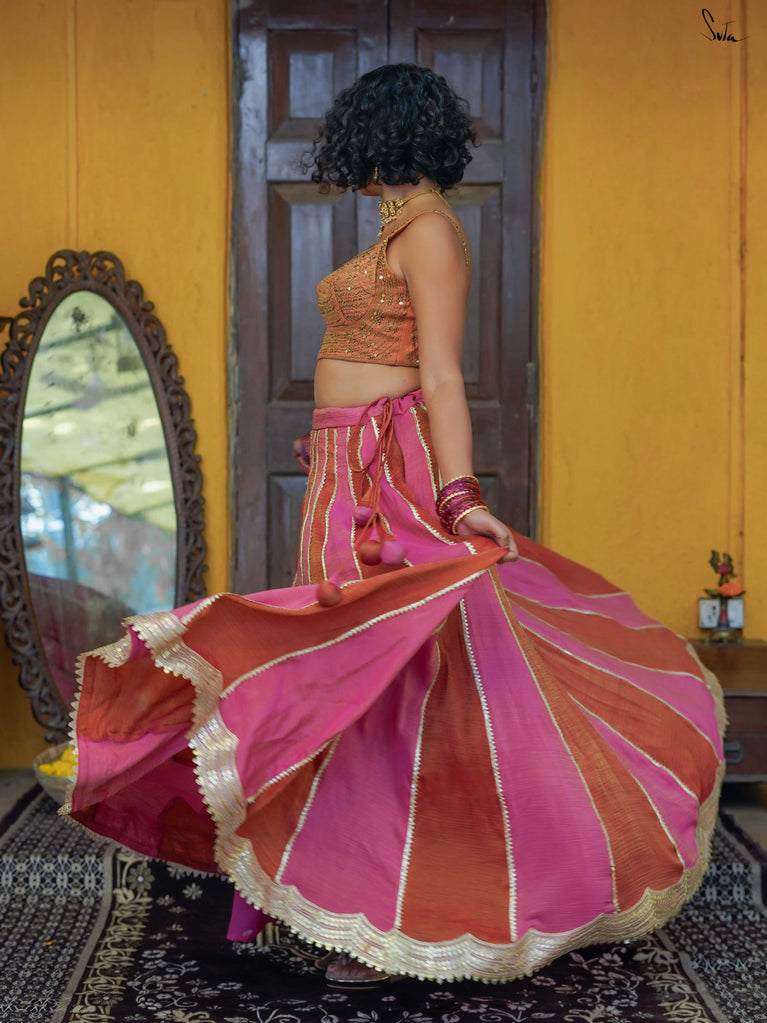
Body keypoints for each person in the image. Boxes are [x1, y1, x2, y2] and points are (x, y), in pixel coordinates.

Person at [63, 63, 725, 988]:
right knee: (341, 676)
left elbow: (442, 373)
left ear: (378, 134)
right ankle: (330, 886)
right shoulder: (397, 227)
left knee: (391, 683)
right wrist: (331, 439)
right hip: (345, 468)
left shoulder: (433, 233)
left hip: (389, 478)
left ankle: (396, 917)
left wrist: (457, 496)